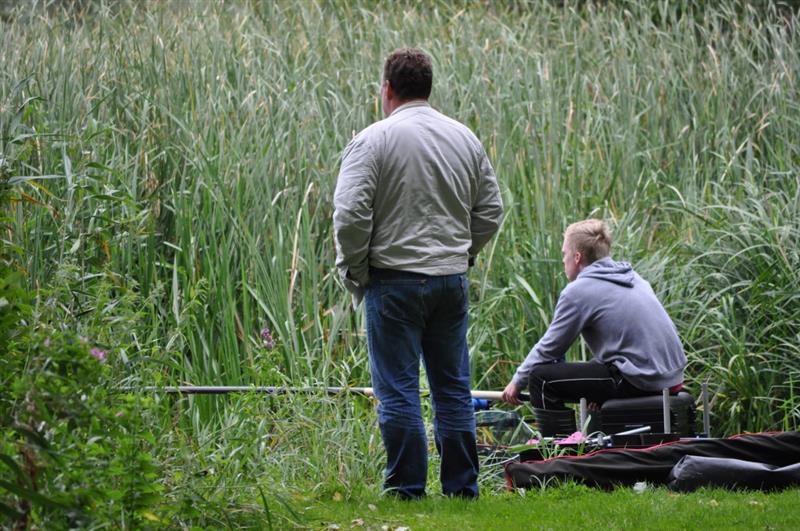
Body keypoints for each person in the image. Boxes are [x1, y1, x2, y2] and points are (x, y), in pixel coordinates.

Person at [333, 48, 503, 499]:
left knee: (398, 391)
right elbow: (491, 210)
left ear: (387, 89)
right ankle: (462, 488)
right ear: (428, 87)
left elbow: (349, 215)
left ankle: (407, 489)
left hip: (393, 281)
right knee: (452, 389)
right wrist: (463, 253)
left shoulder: (373, 140)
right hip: (450, 280)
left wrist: (357, 268)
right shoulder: (464, 138)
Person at [501, 219, 686, 436]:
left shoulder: (579, 291)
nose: (563, 260)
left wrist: (516, 382)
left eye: (564, 254)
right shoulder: (633, 278)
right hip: (671, 378)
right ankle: (581, 441)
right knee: (586, 371)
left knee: (541, 379)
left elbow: (550, 348)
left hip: (642, 379)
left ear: (577, 257)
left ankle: (561, 453)